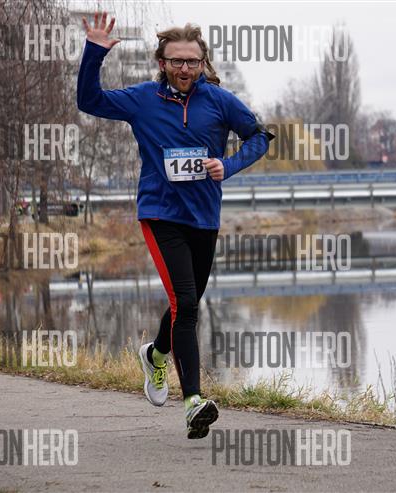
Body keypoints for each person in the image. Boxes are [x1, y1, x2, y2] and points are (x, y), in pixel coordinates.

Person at [78, 12, 273, 439]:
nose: (185, 68)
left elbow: (260, 136)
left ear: (202, 63)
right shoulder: (143, 99)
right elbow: (88, 101)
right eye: (177, 61)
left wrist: (228, 165)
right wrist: (94, 53)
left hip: (204, 217)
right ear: (162, 62)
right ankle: (193, 402)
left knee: (186, 301)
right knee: (186, 303)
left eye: (192, 61)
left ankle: (155, 353)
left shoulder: (219, 100)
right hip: (160, 213)